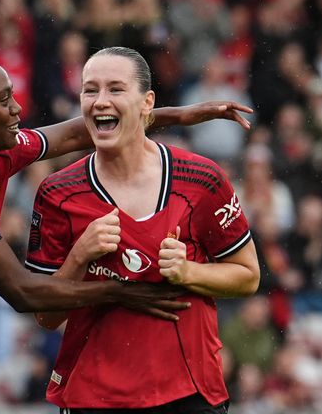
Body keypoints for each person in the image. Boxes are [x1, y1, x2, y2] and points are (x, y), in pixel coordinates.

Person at [0, 30, 253, 414]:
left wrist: (180, 115)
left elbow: (76, 132)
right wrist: (123, 292)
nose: (17, 108)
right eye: (2, 101)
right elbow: (24, 292)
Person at [26, 47, 260, 412]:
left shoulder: (201, 178)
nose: (100, 101)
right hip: (93, 395)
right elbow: (46, 316)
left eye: (116, 89)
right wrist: (79, 256)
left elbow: (248, 277)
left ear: (147, 101)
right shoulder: (57, 193)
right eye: (90, 90)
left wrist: (189, 272)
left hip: (187, 393)